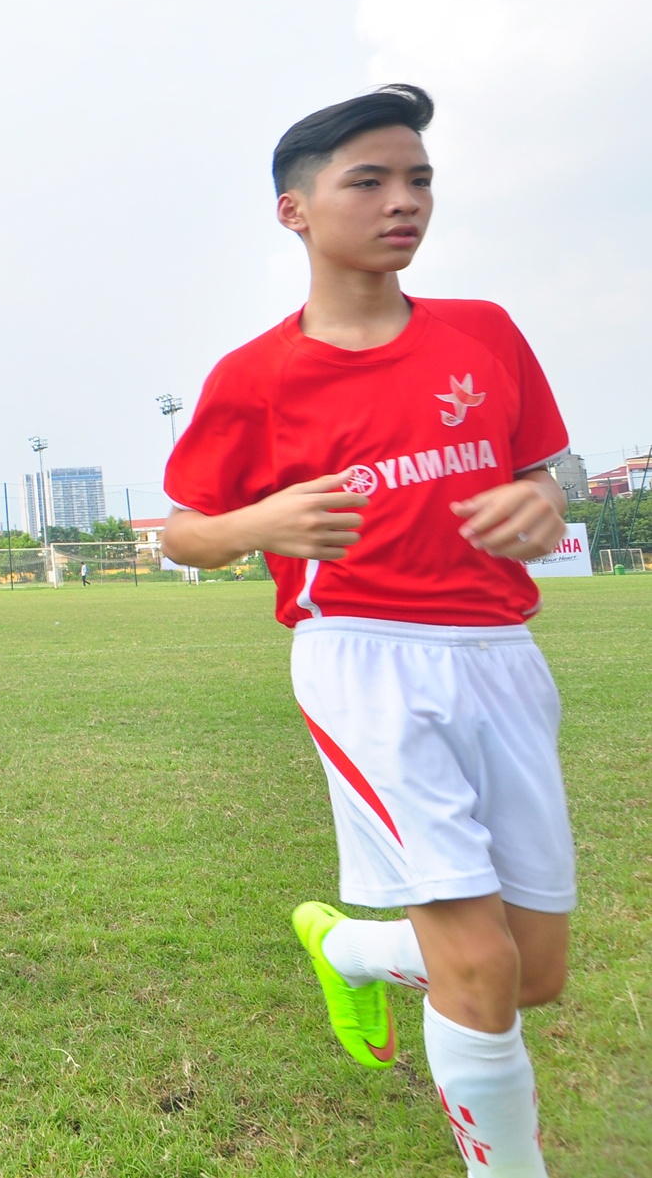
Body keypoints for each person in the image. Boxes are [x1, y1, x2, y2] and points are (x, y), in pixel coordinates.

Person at [162, 85, 575, 1177]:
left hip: (504, 658)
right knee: (479, 967)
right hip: (363, 660)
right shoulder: (254, 378)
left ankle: (348, 946)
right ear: (295, 212)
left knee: (533, 971)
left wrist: (546, 501)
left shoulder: (484, 334)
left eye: (421, 179)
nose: (406, 202)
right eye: (372, 181)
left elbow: (543, 468)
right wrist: (263, 522)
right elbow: (182, 534)